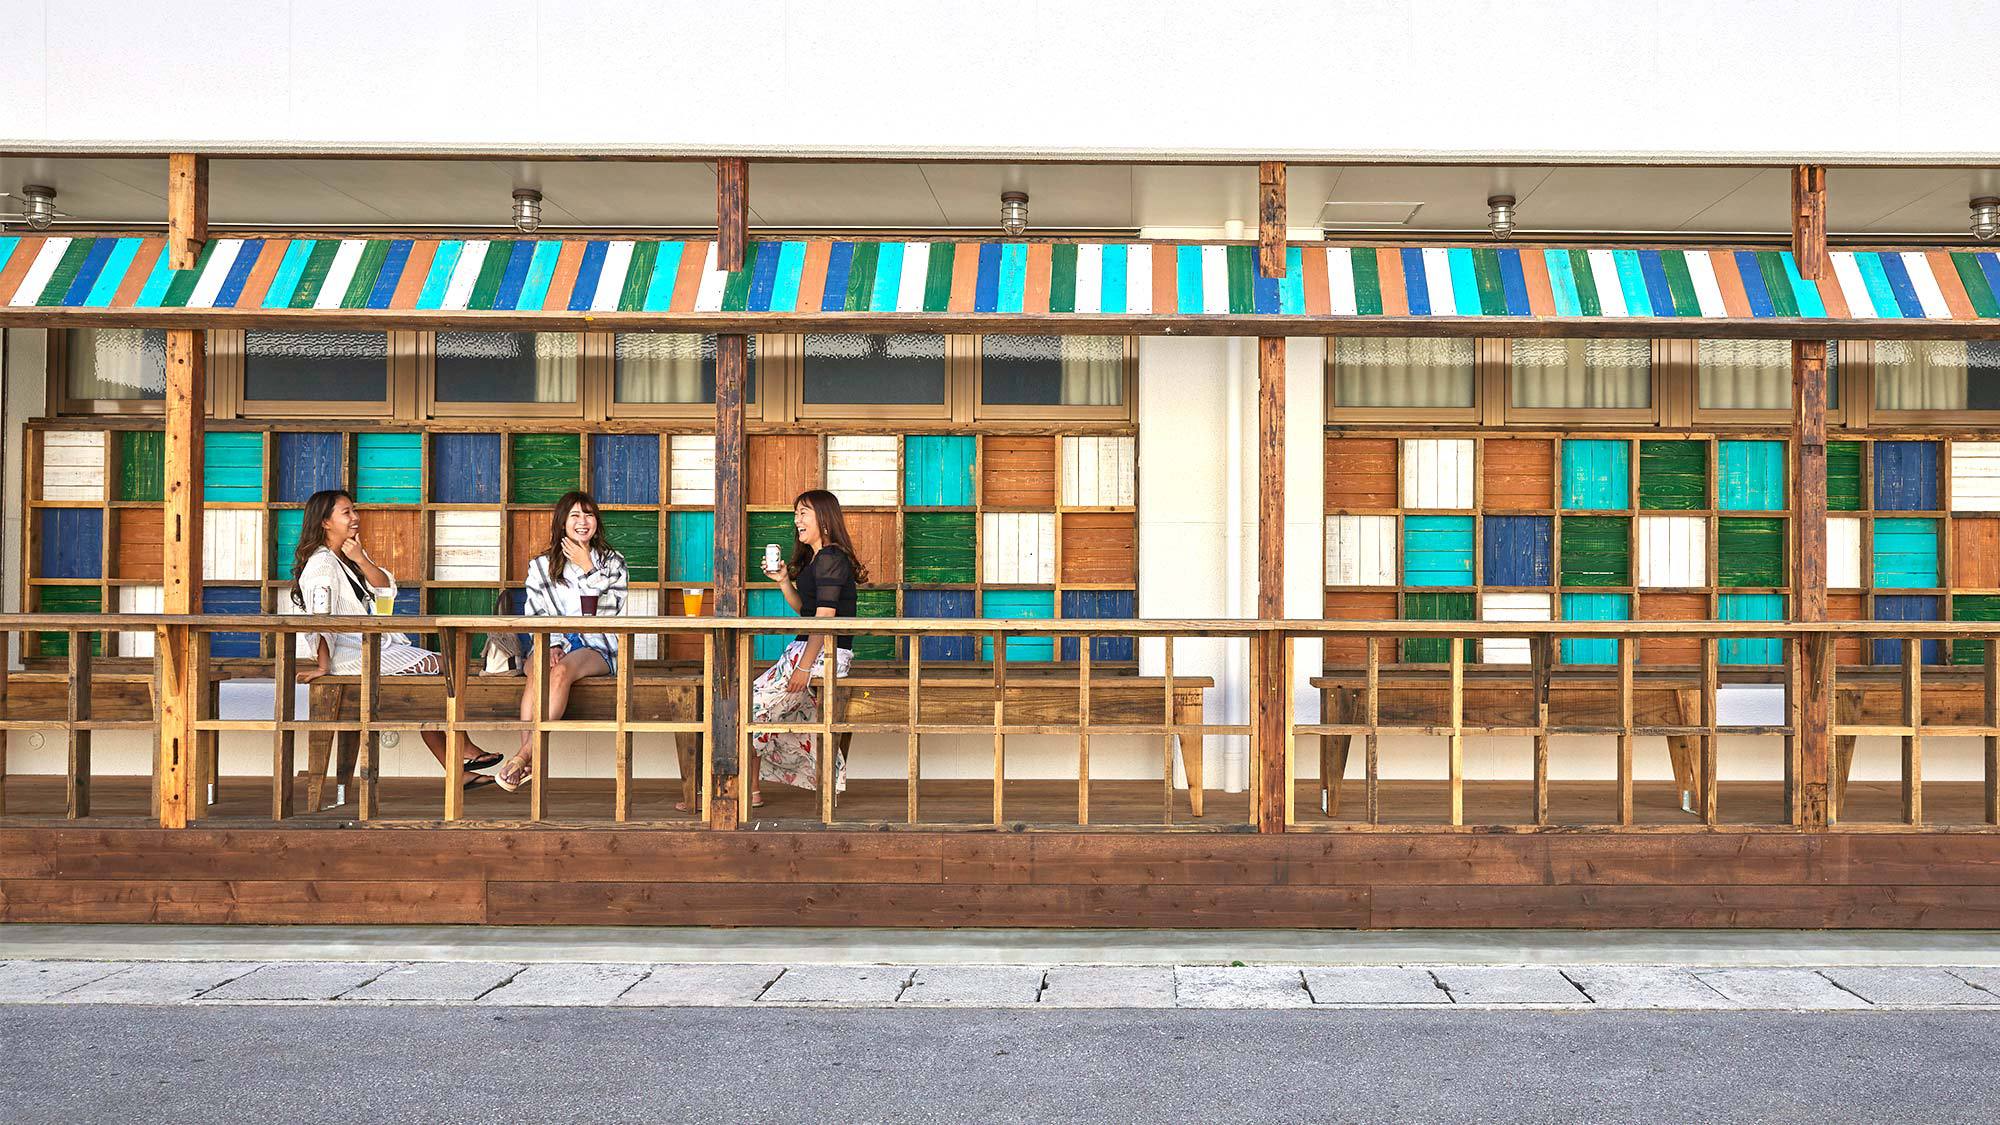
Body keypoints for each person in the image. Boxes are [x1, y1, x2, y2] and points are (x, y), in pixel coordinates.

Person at [287, 489, 498, 790]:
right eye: (346, 512)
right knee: (446, 665)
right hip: (350, 654)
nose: (355, 517)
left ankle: (458, 768)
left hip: (374, 646)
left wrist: (361, 558)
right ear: (325, 522)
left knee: (437, 682)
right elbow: (318, 619)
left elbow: (386, 588)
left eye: (354, 510)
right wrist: (323, 665)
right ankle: (462, 746)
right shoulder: (321, 564)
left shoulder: (347, 556)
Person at [489, 490, 628, 793]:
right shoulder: (540, 565)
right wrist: (551, 643)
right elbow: (534, 612)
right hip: (550, 640)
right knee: (539, 668)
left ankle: (524, 756)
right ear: (562, 522)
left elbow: (610, 612)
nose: (583, 521)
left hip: (596, 644)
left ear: (597, 522)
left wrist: (588, 566)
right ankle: (526, 761)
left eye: (589, 515)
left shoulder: (613, 562)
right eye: (575, 515)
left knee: (561, 671)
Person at [747, 488, 866, 807]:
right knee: (756, 709)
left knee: (748, 707)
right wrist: (784, 581)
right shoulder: (819, 559)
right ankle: (750, 788)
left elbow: (824, 620)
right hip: (811, 652)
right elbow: (807, 611)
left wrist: (803, 667)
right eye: (796, 513)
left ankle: (743, 788)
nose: (796, 520)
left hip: (821, 654)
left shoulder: (830, 558)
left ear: (824, 520)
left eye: (803, 513)